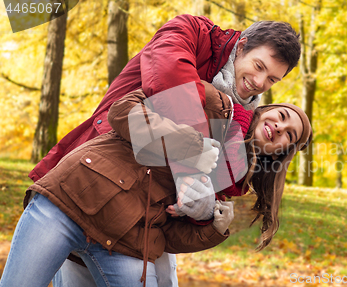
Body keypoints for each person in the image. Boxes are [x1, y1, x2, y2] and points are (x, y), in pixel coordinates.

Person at [30, 14, 301, 287]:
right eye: (258, 66)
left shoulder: (239, 125)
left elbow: (184, 210)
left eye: (272, 79)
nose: (259, 81)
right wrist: (190, 162)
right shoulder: (191, 32)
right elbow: (170, 81)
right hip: (94, 175)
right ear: (241, 46)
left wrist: (209, 219)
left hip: (141, 215)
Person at [0, 80, 313, 287]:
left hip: (123, 243)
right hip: (69, 202)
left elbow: (169, 235)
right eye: (283, 115)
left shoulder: (233, 183)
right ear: (266, 109)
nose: (280, 127)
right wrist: (190, 145)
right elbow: (122, 110)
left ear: (281, 151)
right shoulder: (214, 103)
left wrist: (213, 229)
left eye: (289, 136)